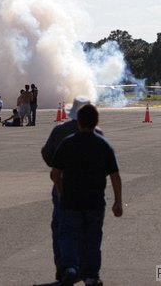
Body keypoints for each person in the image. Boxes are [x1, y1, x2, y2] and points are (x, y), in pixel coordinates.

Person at [50, 104, 122, 286]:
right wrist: (118, 201)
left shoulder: (67, 143)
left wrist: (60, 192)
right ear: (96, 122)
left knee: (68, 235)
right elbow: (115, 175)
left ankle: (70, 268)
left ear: (78, 122)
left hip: (71, 200)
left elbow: (55, 173)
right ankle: (91, 275)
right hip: (94, 201)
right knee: (92, 239)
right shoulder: (103, 145)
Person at [41, 96, 93, 283]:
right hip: (89, 189)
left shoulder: (60, 130)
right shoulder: (97, 133)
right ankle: (87, 271)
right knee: (88, 230)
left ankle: (64, 268)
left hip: (62, 185)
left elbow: (47, 155)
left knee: (62, 228)